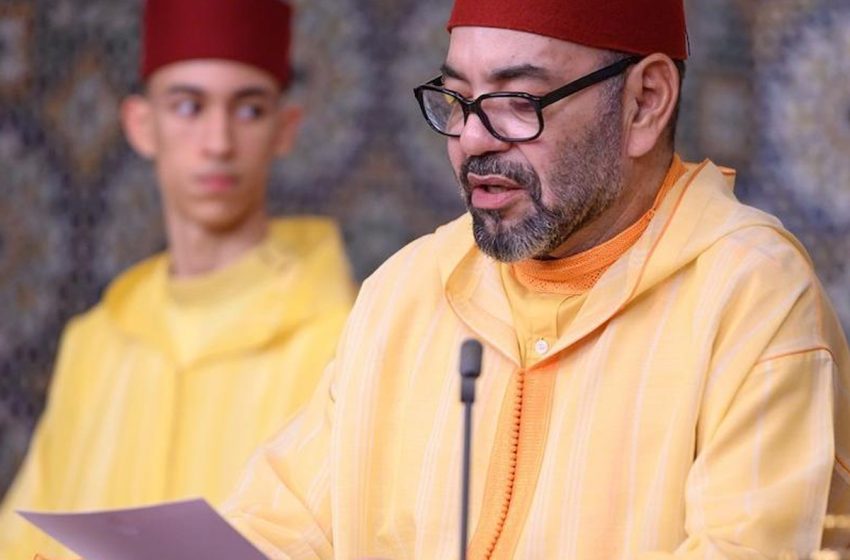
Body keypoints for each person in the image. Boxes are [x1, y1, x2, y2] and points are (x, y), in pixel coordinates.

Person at [219, 0, 850, 558]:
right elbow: (282, 528)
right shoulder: (405, 292)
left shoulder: (752, 297)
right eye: (457, 98)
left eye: (517, 100)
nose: (471, 139)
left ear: (645, 102)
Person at [0, 0, 355, 557]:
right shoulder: (94, 344)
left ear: (285, 129)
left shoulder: (345, 343)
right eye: (188, 106)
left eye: (248, 109)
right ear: (142, 125)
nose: (217, 142)